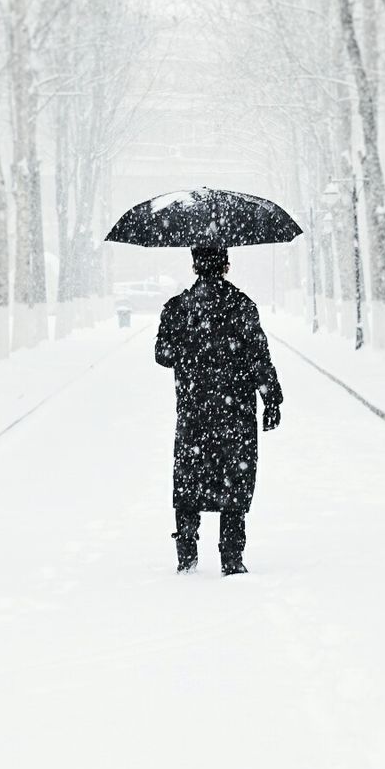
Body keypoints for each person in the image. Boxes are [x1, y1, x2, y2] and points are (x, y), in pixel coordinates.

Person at [154, 246, 282, 576]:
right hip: (235, 409)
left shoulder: (178, 307)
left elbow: (163, 355)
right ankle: (232, 557)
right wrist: (271, 400)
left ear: (195, 264)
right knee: (235, 479)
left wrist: (186, 338)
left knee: (189, 479)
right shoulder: (241, 305)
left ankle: (187, 555)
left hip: (194, 409)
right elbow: (258, 356)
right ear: (226, 264)